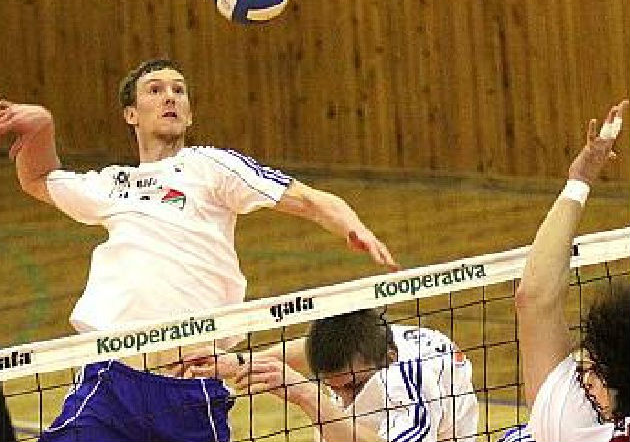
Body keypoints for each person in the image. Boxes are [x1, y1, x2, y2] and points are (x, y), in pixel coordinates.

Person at [0, 58, 398, 442]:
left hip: (191, 387)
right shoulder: (112, 184)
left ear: (189, 115)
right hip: (113, 378)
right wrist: (42, 128)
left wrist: (352, 225)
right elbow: (38, 178)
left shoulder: (211, 166)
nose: (169, 97)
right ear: (131, 114)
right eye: (155, 90)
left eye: (179, 90)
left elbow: (306, 198)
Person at [515, 99, 630, 442]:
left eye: (597, 371)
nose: (585, 377)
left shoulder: (573, 425)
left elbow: (534, 298)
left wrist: (579, 182)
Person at [189, 309, 478, 442]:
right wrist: (239, 361)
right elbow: (309, 349)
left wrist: (307, 395)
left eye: (353, 386)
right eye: (334, 387)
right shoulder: (367, 344)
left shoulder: (411, 380)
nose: (345, 399)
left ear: (390, 359)